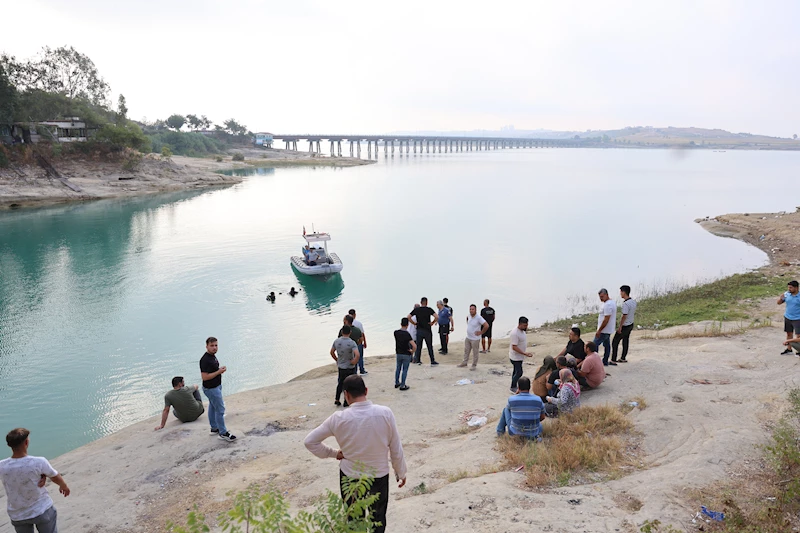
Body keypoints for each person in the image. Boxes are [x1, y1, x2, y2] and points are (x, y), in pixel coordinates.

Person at [304, 375, 406, 533]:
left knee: (354, 522)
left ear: (346, 394)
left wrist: (334, 453)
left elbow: (310, 441)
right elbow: (395, 447)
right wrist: (400, 472)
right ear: (366, 391)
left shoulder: (338, 418)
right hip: (378, 476)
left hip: (350, 477)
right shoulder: (385, 413)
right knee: (377, 520)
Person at [0, 428, 70, 533]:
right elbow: (55, 476)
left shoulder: (2, 465)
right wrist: (63, 485)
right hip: (41, 509)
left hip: (17, 515)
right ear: (26, 442)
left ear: (9, 445)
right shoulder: (38, 462)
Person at [200, 337, 236, 441]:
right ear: (206, 346)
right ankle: (223, 432)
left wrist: (219, 370)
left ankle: (214, 428)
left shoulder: (212, 357)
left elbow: (213, 371)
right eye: (212, 346)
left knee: (213, 406)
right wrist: (218, 372)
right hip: (211, 388)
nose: (214, 348)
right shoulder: (205, 360)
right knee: (220, 410)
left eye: (216, 345)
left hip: (215, 386)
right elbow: (205, 377)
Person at [331, 325, 360, 407]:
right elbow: (357, 354)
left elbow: (332, 352)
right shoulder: (351, 342)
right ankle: (346, 401)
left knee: (340, 383)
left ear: (341, 332)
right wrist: (354, 361)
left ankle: (337, 399)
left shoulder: (336, 341)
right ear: (350, 332)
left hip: (341, 366)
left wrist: (337, 359)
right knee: (349, 384)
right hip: (349, 366)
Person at [408, 297, 438, 365]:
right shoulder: (429, 309)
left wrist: (414, 323)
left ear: (421, 302)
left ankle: (418, 360)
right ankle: (432, 360)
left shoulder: (417, 310)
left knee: (419, 346)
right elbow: (437, 317)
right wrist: (432, 322)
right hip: (427, 330)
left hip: (419, 330)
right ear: (426, 302)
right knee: (429, 346)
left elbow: (408, 317)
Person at [612, 285, 637, 364]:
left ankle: (613, 359)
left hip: (625, 325)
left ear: (624, 292)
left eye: (621, 292)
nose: (620, 294)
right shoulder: (633, 302)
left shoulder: (625, 304)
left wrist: (620, 327)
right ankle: (623, 357)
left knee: (615, 342)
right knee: (625, 340)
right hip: (631, 324)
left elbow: (624, 316)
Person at [458, 304, 488, 370]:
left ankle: (474, 365)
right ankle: (464, 362)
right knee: (466, 351)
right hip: (468, 337)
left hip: (475, 339)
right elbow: (467, 319)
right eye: (470, 309)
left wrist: (481, 332)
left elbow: (486, 325)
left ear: (475, 310)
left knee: (475, 352)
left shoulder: (479, 318)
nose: (471, 311)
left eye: (472, 309)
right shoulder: (469, 316)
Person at [509, 316, 533, 392]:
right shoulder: (515, 333)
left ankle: (514, 384)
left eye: (527, 325)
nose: (526, 327)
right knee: (519, 372)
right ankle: (513, 386)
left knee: (516, 371)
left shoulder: (522, 331)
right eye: (525, 325)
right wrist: (524, 353)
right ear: (520, 324)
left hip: (520, 356)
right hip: (515, 357)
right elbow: (514, 347)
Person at [593, 288, 617, 366]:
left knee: (594, 345)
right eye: (600, 297)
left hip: (604, 330)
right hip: (608, 329)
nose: (601, 298)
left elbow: (606, 319)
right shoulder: (612, 302)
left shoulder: (608, 305)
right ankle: (605, 361)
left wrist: (599, 330)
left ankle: (595, 362)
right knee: (607, 345)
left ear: (607, 295)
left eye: (602, 296)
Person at [394, 318, 416, 390]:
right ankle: (403, 385)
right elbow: (414, 345)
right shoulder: (407, 334)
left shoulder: (396, 332)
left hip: (398, 353)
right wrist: (412, 351)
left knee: (398, 368)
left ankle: (397, 382)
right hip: (406, 353)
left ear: (400, 324)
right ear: (407, 325)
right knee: (405, 369)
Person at [778, 280, 800, 355]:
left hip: (798, 319)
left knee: (798, 335)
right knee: (788, 334)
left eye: (791, 288)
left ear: (796, 288)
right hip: (788, 317)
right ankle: (789, 349)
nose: (789, 289)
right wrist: (781, 298)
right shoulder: (787, 294)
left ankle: (798, 350)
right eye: (788, 287)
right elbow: (778, 303)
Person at [349, 309, 369, 375]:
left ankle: (354, 372)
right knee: (360, 357)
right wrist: (365, 342)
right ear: (355, 315)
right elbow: (362, 334)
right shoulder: (358, 323)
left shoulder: (347, 324)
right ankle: (362, 370)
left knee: (352, 357)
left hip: (350, 344)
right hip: (359, 343)